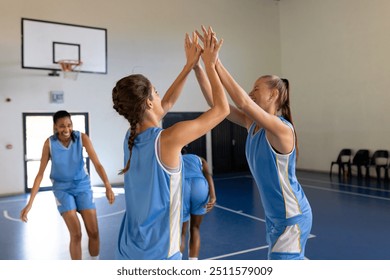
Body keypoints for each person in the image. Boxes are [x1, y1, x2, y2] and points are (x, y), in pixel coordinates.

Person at [194, 26, 312, 260]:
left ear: (274, 95)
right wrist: (198, 66)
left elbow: (243, 102)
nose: (251, 92)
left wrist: (215, 62)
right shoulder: (252, 124)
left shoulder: (282, 129)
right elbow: (215, 102)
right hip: (276, 218)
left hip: (291, 218)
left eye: (257, 88)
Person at [112, 28, 229, 260]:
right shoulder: (168, 139)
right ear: (147, 102)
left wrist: (190, 66)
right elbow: (222, 109)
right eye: (155, 92)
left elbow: (167, 102)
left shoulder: (131, 136)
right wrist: (210, 64)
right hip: (160, 255)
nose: (160, 96)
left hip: (127, 250)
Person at [20, 110, 115, 260]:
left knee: (94, 232)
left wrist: (108, 186)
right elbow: (40, 174)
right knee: (76, 234)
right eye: (62, 126)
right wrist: (30, 203)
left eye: (69, 125)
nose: (66, 129)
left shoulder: (81, 138)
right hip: (62, 189)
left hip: (82, 186)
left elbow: (97, 164)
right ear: (55, 127)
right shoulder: (49, 143)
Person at [180, 154, 216, 260]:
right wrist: (213, 196)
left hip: (183, 186)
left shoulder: (176, 157)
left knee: (181, 232)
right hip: (200, 186)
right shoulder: (200, 159)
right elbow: (208, 174)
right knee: (195, 228)